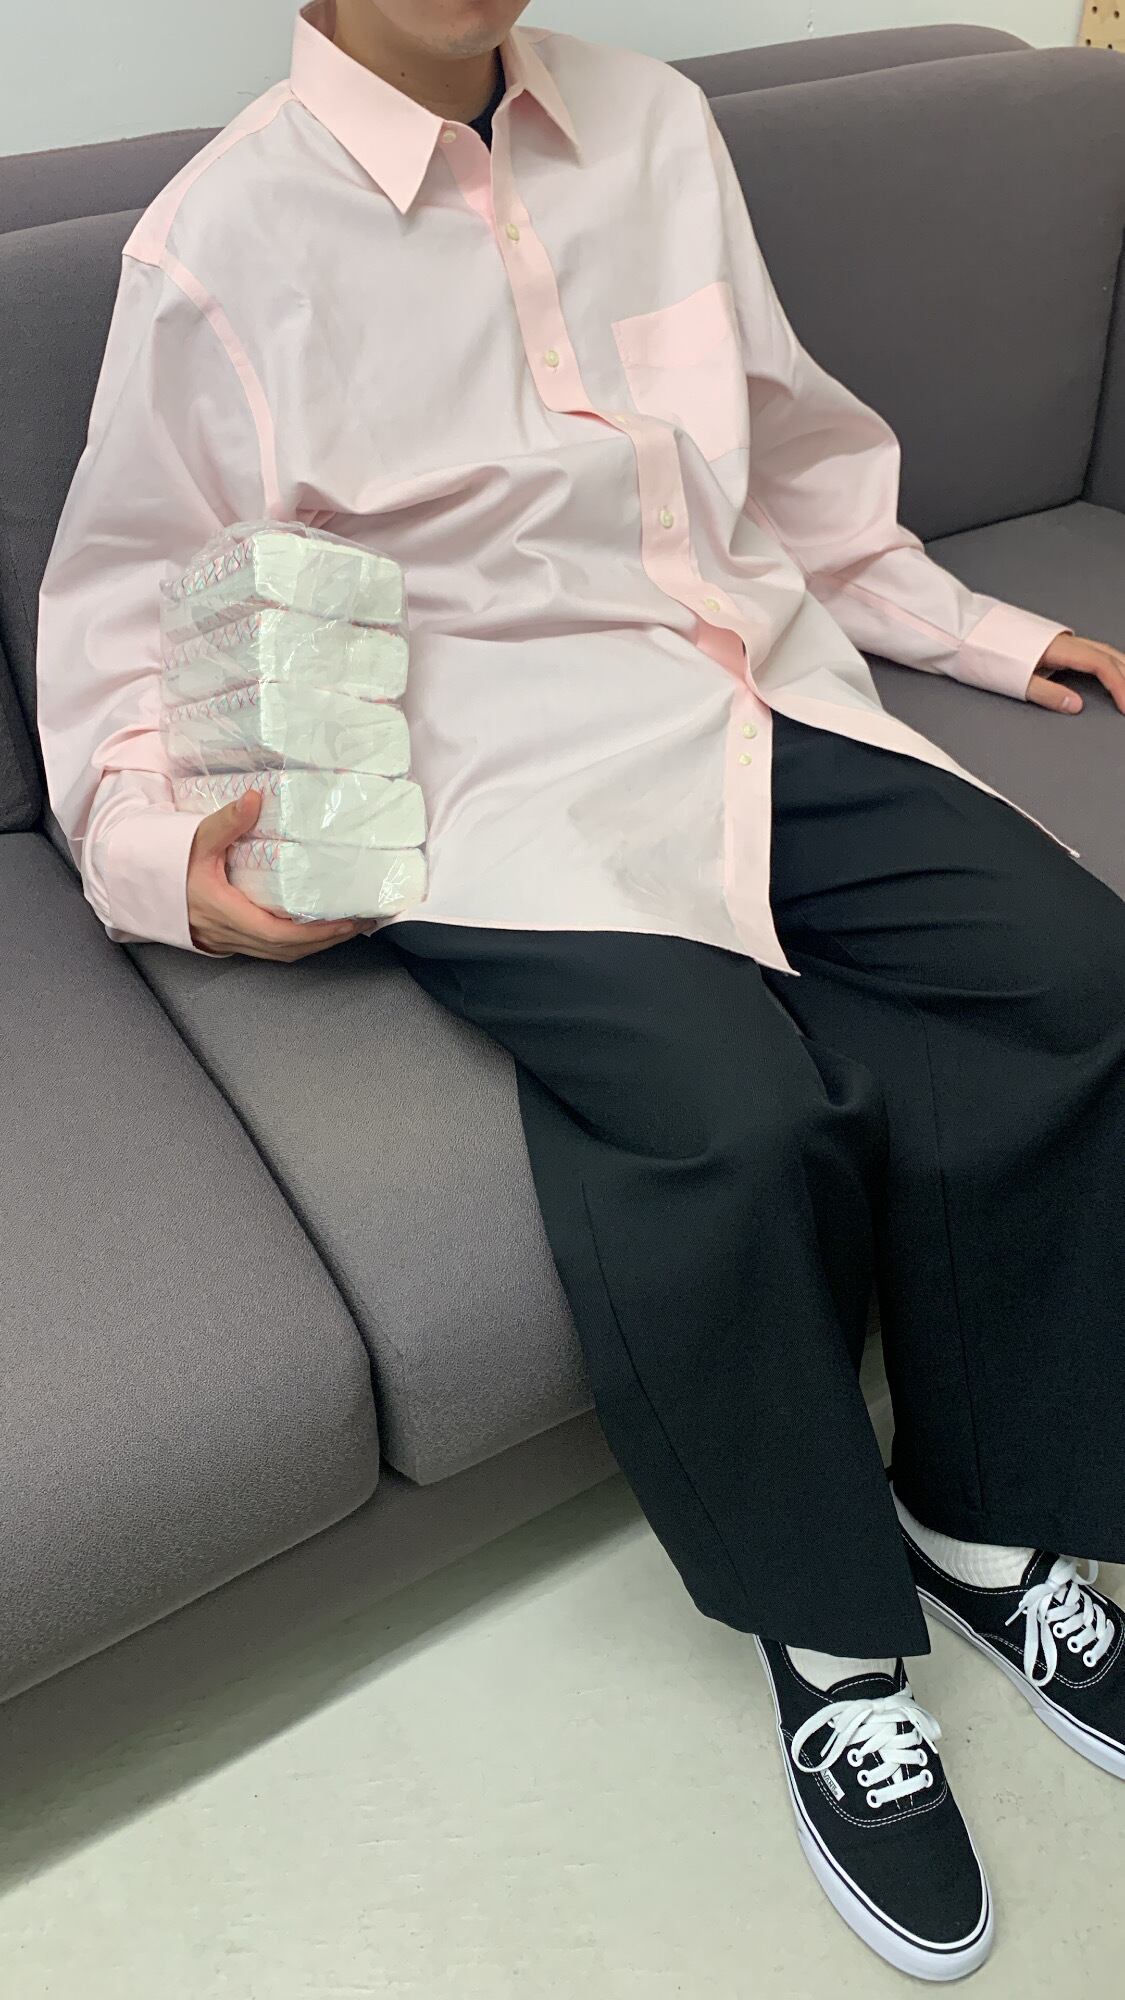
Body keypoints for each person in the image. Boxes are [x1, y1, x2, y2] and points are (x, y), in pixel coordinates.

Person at [35, 0, 1125, 1979]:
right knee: (728, 1121)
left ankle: (982, 1527)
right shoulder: (220, 241)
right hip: (480, 780)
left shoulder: (654, 125)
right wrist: (160, 855)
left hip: (744, 694)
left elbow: (785, 456)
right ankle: (826, 1643)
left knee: (1067, 966)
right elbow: (126, 603)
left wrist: (969, 625)